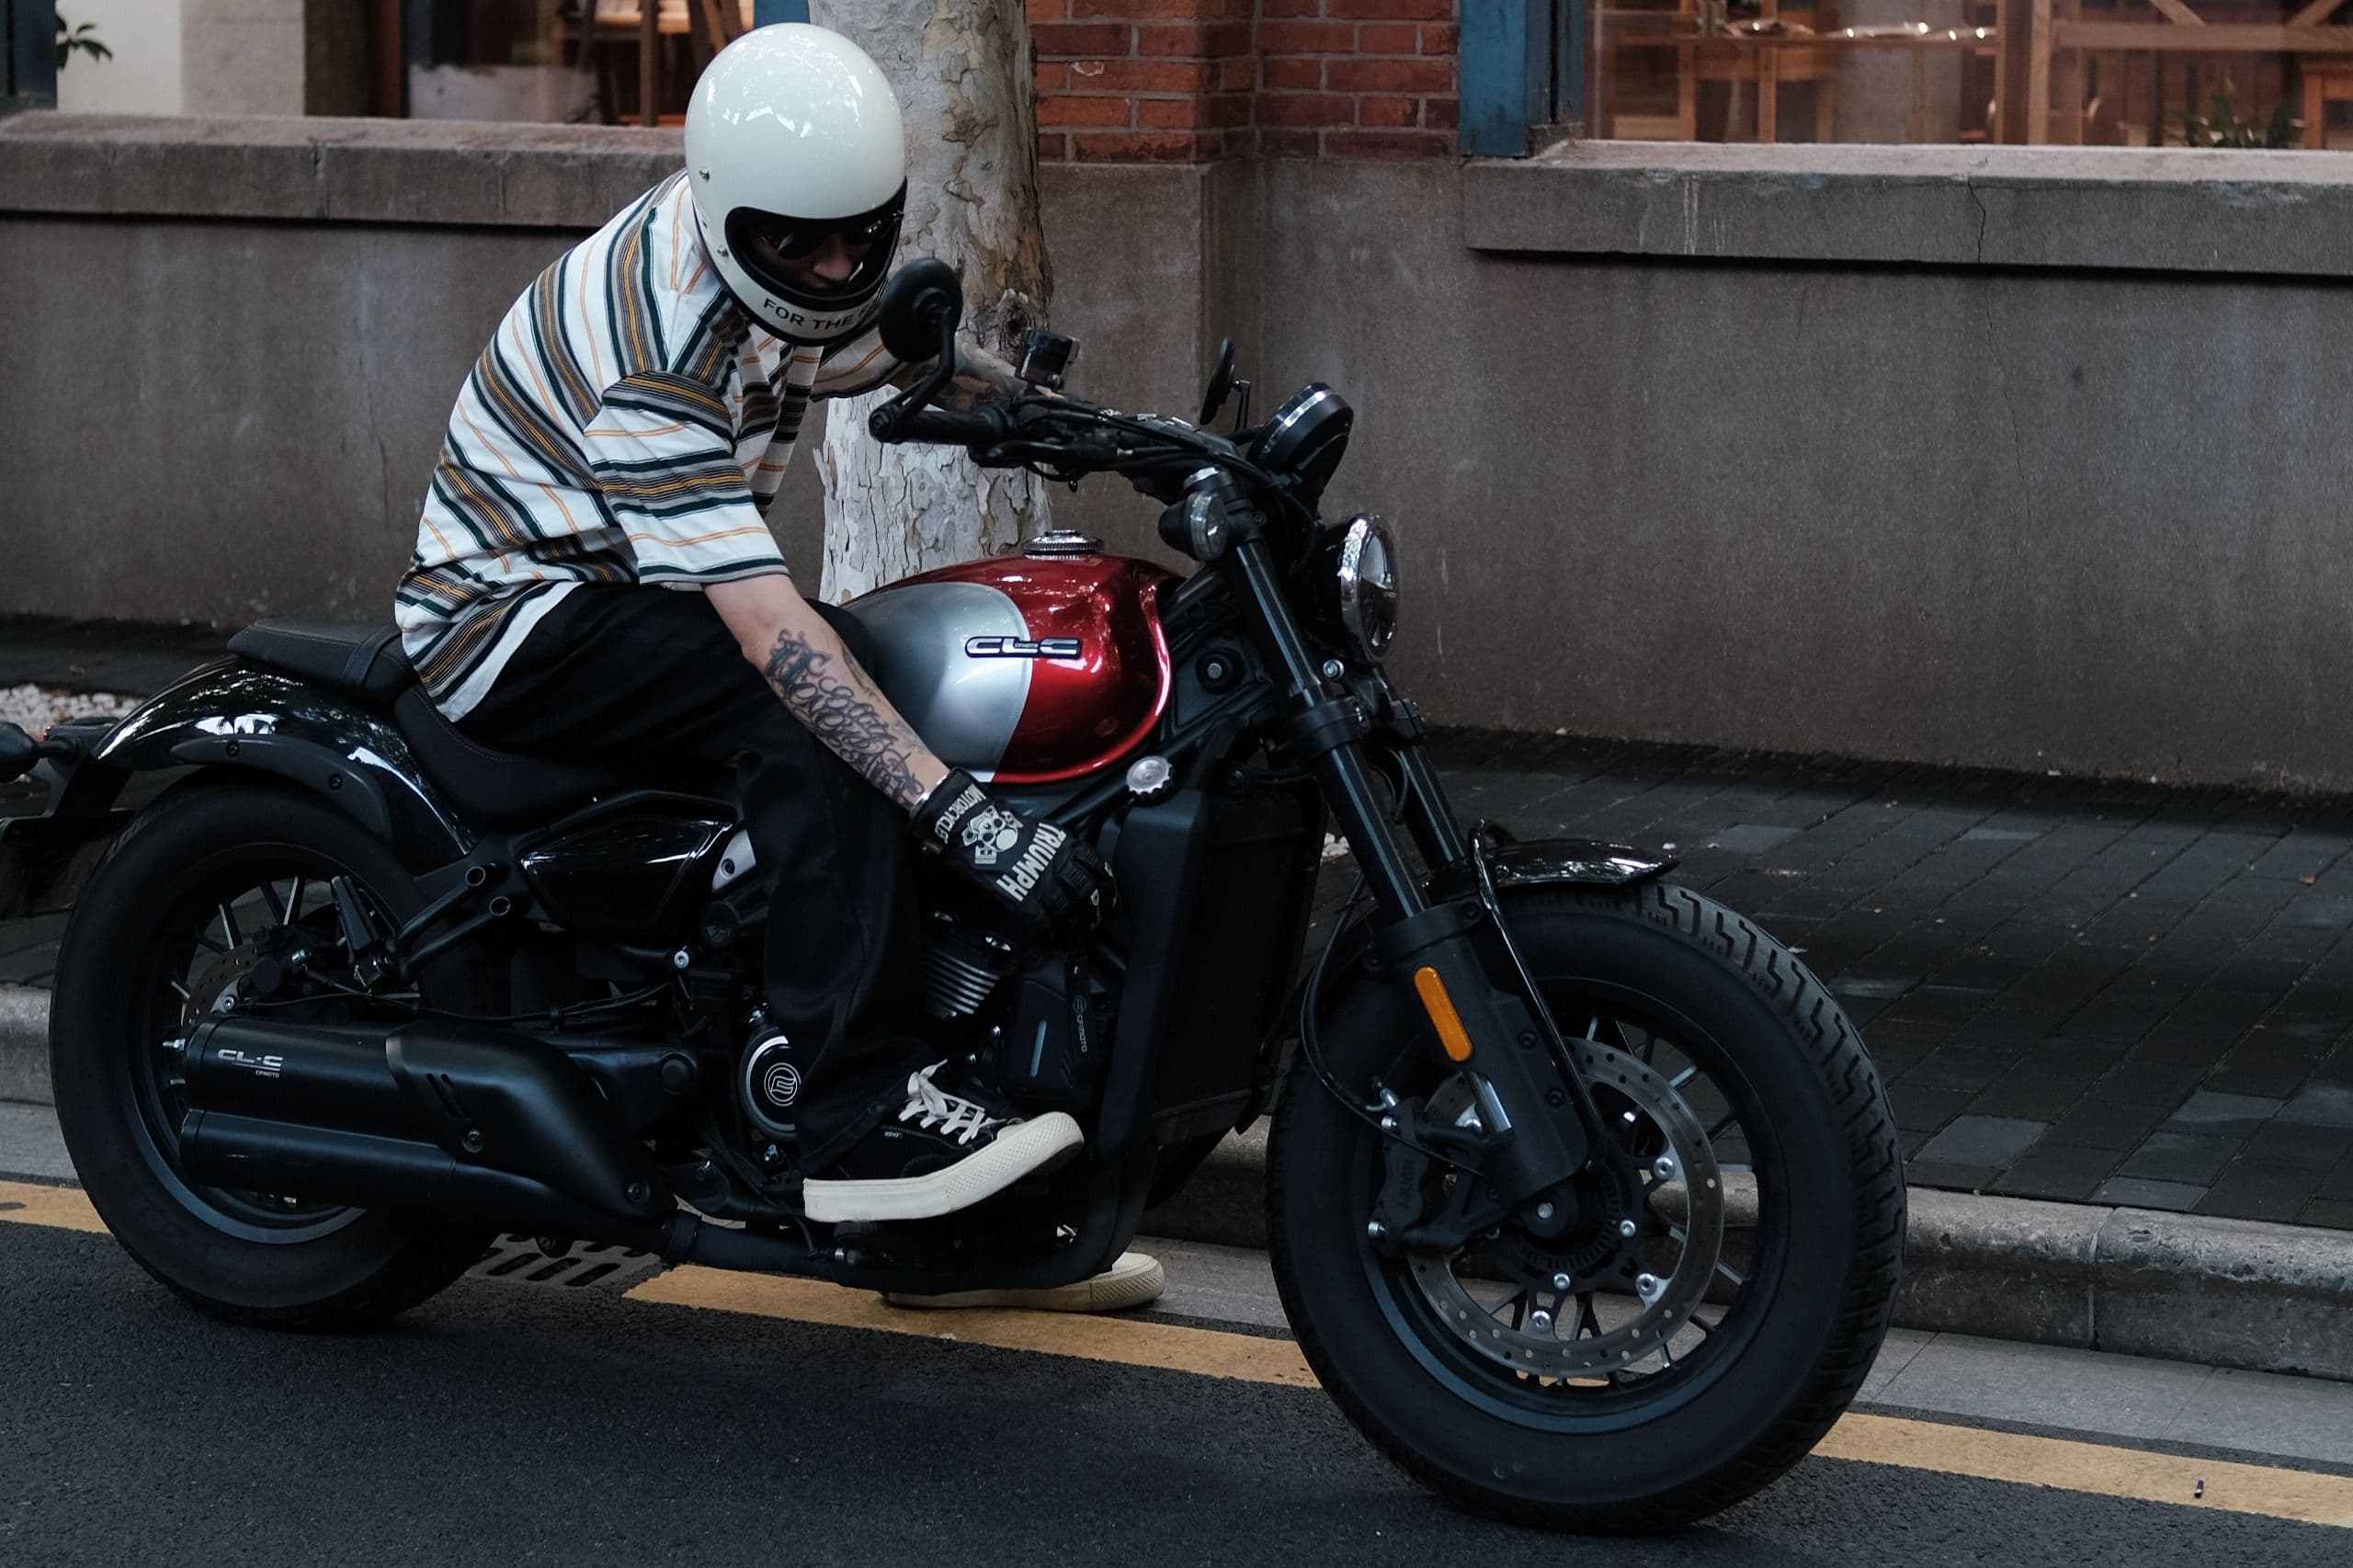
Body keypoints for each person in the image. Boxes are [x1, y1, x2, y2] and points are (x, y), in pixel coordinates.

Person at [392, 24, 1126, 1267]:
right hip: (512, 615)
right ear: (737, 215)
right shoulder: (663, 350)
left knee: (864, 670)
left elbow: (876, 344)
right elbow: (770, 634)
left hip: (621, 586)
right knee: (811, 686)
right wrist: (964, 816)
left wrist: (1043, 413)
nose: (838, 263)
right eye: (804, 243)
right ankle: (855, 1112)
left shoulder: (775, 250)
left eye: (862, 236)